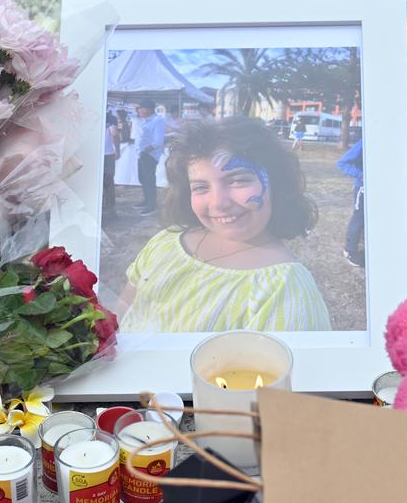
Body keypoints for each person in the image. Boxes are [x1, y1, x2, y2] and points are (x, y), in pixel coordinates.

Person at [117, 117, 331, 332]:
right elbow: (125, 308)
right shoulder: (166, 241)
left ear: (277, 184)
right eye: (201, 187)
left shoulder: (285, 291)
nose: (218, 203)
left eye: (238, 180)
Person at [136, 99, 166, 216]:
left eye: (140, 108)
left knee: (149, 180)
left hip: (149, 155)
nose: (139, 110)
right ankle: (146, 201)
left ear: (147, 109)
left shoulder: (157, 121)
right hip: (142, 154)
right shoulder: (146, 121)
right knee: (143, 179)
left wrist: (144, 151)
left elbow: (158, 141)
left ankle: (152, 205)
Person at [337, 139, 364, 267]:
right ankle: (350, 251)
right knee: (358, 220)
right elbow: (342, 163)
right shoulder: (365, 141)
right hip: (363, 190)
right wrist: (362, 175)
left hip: (380, 190)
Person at [103, 109, 120, 220]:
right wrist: (117, 150)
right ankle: (110, 211)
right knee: (109, 184)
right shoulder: (111, 118)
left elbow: (114, 134)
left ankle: (107, 210)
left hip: (101, 155)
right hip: (107, 155)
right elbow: (115, 134)